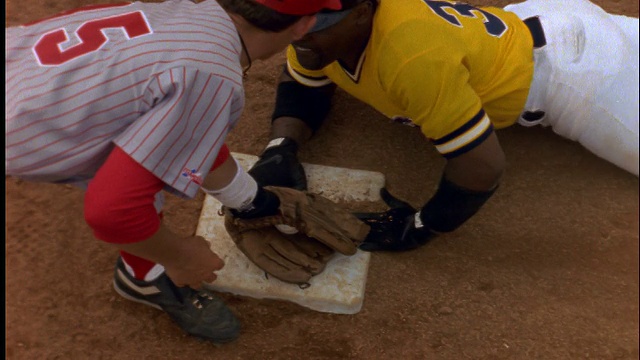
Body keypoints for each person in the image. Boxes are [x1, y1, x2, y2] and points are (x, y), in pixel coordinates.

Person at [5, 0, 343, 344]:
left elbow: (181, 131)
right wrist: (180, 258)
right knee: (134, 187)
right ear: (304, 25)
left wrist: (253, 201)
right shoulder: (212, 73)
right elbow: (114, 211)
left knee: (141, 162)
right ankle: (147, 277)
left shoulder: (180, 14)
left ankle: (139, 274)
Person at [247, 0, 639, 252]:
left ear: (363, 13)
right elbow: (303, 85)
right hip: (537, 21)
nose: (298, 36)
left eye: (313, 26)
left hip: (581, 76)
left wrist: (420, 226)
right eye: (293, 24)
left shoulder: (411, 58)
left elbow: (483, 166)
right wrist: (281, 146)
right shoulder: (318, 38)